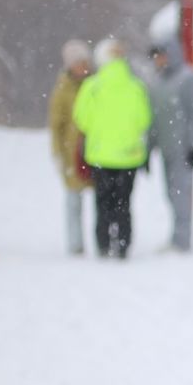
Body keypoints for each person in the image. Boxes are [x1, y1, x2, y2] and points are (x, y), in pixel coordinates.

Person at [71, 38, 152, 260]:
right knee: (124, 203)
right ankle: (123, 244)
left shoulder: (92, 86)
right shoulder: (135, 86)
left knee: (103, 202)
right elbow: (144, 119)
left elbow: (81, 119)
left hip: (100, 156)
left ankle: (104, 242)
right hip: (129, 156)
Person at [145, 42, 193, 252]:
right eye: (155, 57)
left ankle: (183, 241)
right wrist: (148, 148)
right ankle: (175, 237)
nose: (158, 61)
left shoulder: (189, 79)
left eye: (161, 55)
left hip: (183, 149)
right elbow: (154, 118)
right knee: (170, 194)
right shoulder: (157, 83)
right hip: (166, 148)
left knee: (182, 194)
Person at [47, 40, 93, 255]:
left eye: (84, 62)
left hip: (94, 149)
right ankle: (75, 244)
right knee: (73, 200)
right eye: (78, 63)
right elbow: (56, 124)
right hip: (71, 152)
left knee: (99, 198)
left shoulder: (95, 85)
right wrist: (57, 152)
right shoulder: (62, 89)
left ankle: (99, 240)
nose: (82, 67)